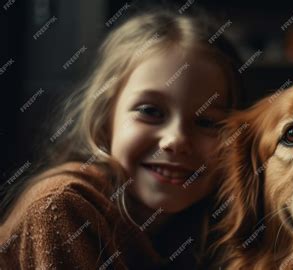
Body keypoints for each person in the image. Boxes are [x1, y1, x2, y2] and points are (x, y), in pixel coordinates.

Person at [0, 7, 242, 269]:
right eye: (150, 111)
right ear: (105, 119)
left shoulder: (208, 224)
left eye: (207, 122)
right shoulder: (62, 205)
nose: (176, 140)